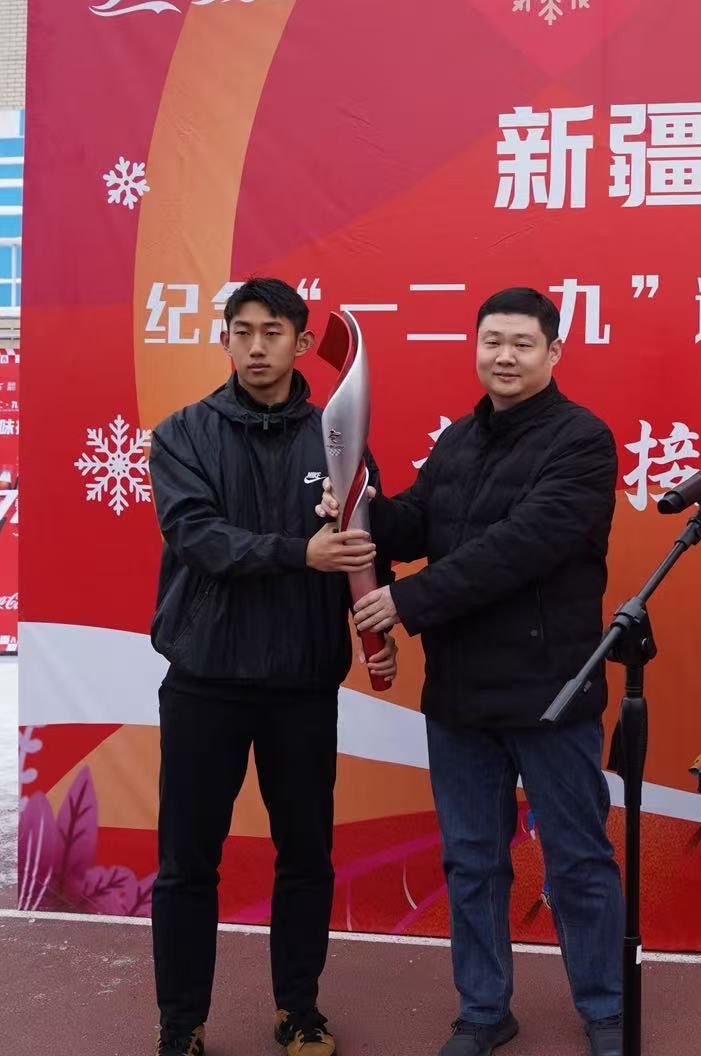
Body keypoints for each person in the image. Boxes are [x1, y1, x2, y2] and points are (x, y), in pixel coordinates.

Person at [328, 287, 623, 1056]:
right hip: (460, 695)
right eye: (492, 341)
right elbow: (419, 523)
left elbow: (521, 547)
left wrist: (407, 601)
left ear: (554, 353)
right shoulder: (459, 440)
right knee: (471, 862)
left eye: (522, 343)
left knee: (578, 860)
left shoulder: (582, 441)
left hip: (550, 693)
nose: (505, 356)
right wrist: (360, 502)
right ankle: (485, 1010)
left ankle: (606, 1007)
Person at [147, 277, 396, 1056]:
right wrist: (300, 550)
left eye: (274, 332)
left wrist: (372, 592)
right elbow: (197, 537)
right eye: (243, 332)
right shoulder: (183, 434)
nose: (257, 347)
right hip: (206, 680)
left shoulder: (338, 438)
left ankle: (299, 1010)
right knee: (187, 862)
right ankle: (181, 1023)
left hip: (300, 682)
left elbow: (366, 543)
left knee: (306, 856)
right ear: (225, 339)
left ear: (301, 342)